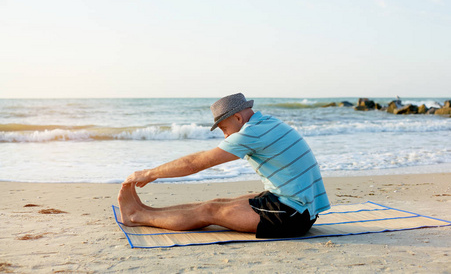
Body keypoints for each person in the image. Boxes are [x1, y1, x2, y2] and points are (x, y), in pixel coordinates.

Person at [118, 93, 330, 238]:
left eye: (224, 128)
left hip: (292, 216)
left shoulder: (251, 133)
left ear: (238, 117)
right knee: (218, 202)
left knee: (209, 210)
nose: (225, 135)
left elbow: (194, 164)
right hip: (298, 206)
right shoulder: (267, 122)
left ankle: (136, 216)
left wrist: (148, 173)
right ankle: (145, 210)